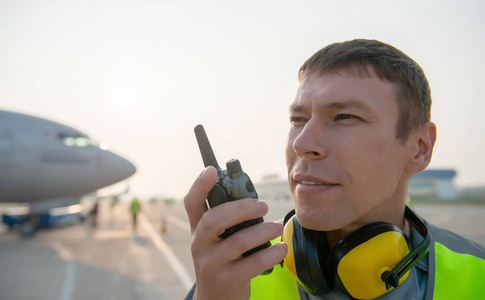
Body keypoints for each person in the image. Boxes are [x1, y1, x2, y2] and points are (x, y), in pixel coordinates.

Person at [183, 39, 485, 300]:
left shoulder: (479, 275)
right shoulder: (232, 271)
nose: (302, 143)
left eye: (344, 117)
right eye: (298, 120)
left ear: (420, 147)